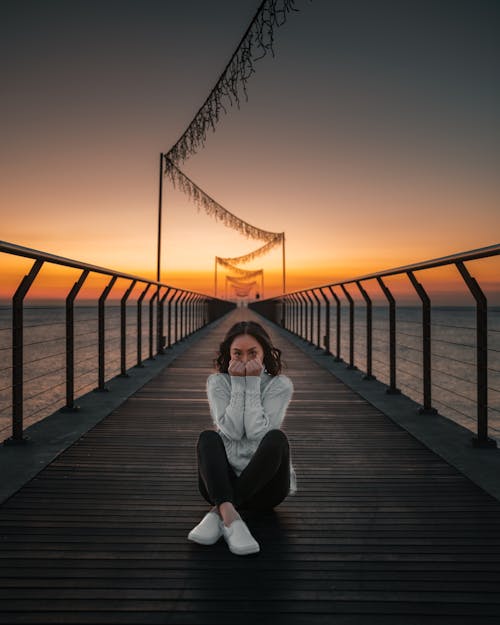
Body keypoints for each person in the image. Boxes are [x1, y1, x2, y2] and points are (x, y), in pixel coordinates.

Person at [188, 320, 295, 556]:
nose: (245, 360)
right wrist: (238, 383)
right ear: (228, 354)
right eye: (237, 353)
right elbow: (233, 432)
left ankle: (219, 512)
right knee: (208, 437)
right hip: (218, 483)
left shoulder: (280, 385)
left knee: (276, 438)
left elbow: (259, 433)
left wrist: (253, 383)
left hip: (266, 490)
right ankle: (233, 521)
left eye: (252, 353)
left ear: (265, 353)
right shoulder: (217, 382)